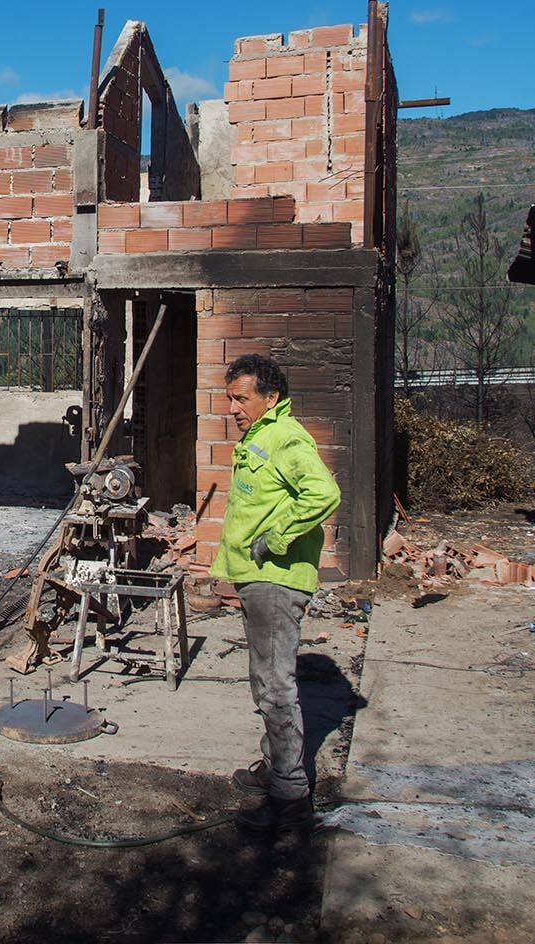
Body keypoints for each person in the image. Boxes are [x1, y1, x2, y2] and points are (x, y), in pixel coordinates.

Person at [210, 353, 340, 833]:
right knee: (265, 679)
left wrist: (277, 538)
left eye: (242, 399)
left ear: (272, 398)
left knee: (275, 685)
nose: (234, 408)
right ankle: (275, 766)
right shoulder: (261, 437)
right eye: (230, 399)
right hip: (259, 579)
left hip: (276, 580)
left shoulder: (285, 437)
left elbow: (323, 494)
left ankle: (289, 794)